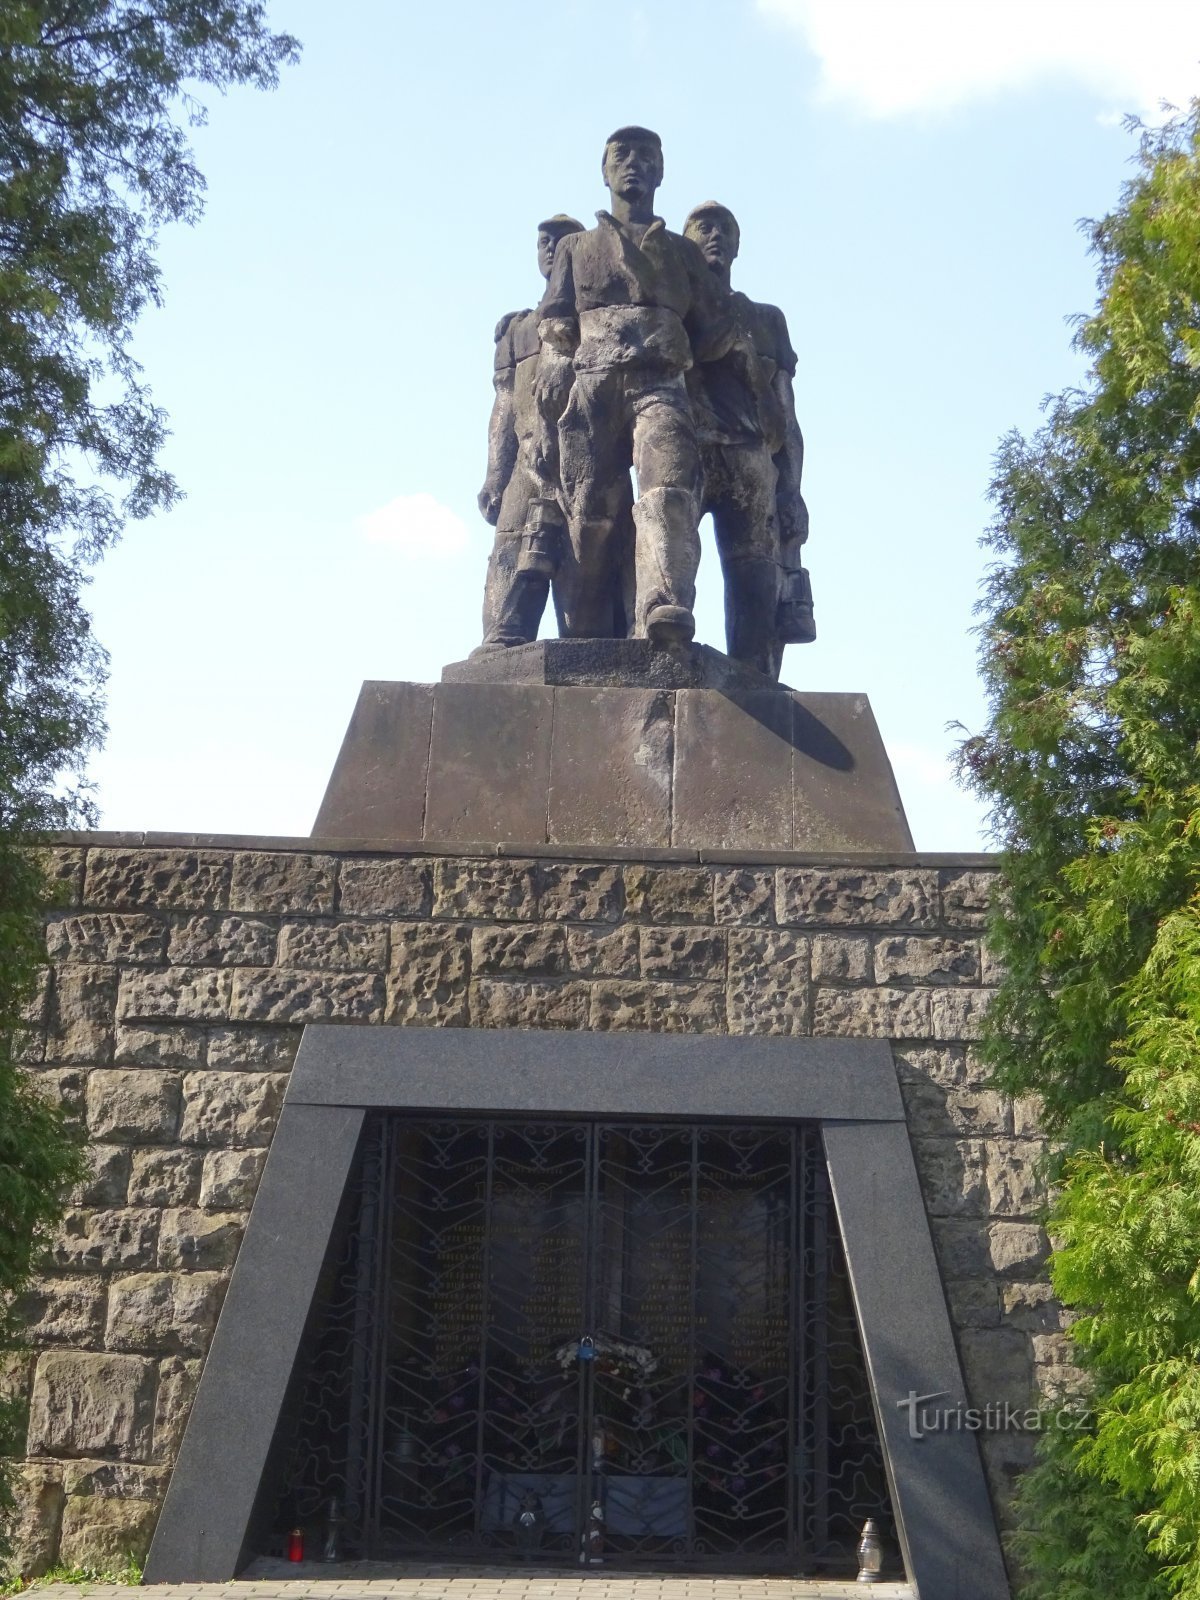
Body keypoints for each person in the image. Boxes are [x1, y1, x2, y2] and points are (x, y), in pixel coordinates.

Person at [538, 127, 734, 646]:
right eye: (622, 156)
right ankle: (587, 621)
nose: (634, 165)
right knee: (590, 510)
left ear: (661, 172)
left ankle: (662, 604)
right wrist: (558, 358)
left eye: (647, 157)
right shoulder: (577, 249)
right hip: (593, 386)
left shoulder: (682, 254)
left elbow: (713, 330)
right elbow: (556, 320)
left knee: (666, 491)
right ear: (604, 171)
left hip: (660, 385)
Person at [682, 200, 813, 680]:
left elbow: (788, 415)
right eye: (704, 227)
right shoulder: (674, 309)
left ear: (737, 245)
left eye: (724, 229)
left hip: (752, 456)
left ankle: (754, 681)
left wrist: (792, 490)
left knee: (754, 573)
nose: (714, 235)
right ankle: (662, 663)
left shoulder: (766, 319)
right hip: (688, 448)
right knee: (669, 563)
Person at [476, 214, 585, 650]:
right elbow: (504, 404)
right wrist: (493, 474)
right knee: (508, 552)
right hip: (526, 459)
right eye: (544, 240)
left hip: (582, 461)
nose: (551, 248)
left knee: (585, 598)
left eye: (562, 242)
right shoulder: (518, 330)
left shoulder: (596, 319)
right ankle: (499, 648)